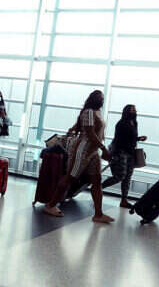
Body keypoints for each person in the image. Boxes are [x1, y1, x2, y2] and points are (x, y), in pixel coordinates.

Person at [43, 90, 115, 224]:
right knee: (70, 177)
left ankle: (98, 214)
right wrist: (103, 148)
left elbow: (84, 126)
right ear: (93, 99)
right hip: (83, 151)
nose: (101, 100)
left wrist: (73, 129)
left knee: (97, 181)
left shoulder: (96, 112)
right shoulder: (89, 112)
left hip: (93, 151)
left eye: (102, 98)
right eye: (99, 98)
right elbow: (91, 133)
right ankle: (50, 205)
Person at [101, 104, 147, 209]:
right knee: (120, 176)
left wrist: (138, 138)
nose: (134, 112)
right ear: (126, 112)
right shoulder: (121, 124)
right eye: (132, 110)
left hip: (130, 152)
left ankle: (124, 200)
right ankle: (99, 187)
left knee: (127, 177)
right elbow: (118, 139)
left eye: (135, 110)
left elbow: (131, 137)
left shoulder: (134, 122)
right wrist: (114, 155)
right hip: (121, 152)